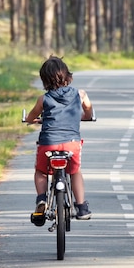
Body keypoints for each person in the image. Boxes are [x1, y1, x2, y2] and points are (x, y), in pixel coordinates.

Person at [25, 56, 94, 224]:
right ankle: (81, 207)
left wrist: (30, 120)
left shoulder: (43, 99)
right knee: (74, 171)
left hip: (48, 143)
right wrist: (86, 116)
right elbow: (89, 111)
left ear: (44, 80)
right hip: (71, 143)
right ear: (67, 75)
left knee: (41, 171)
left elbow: (31, 116)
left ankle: (41, 199)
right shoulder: (80, 94)